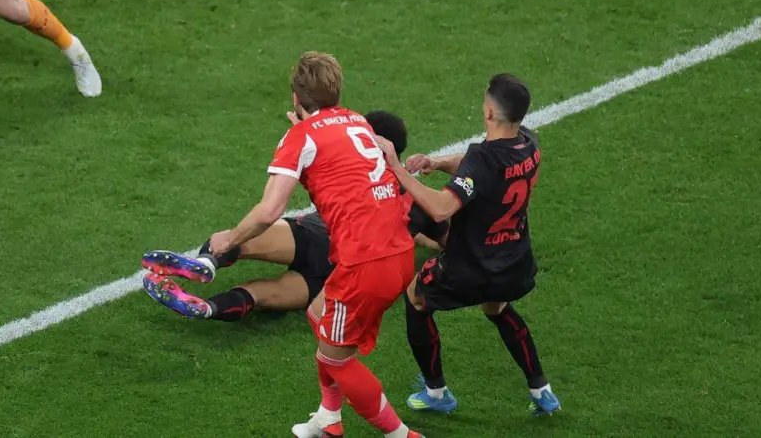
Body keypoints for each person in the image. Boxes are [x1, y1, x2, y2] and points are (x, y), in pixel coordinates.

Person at [195, 53, 423, 438]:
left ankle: (401, 434)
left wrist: (229, 239)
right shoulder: (359, 122)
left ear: (296, 98)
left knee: (337, 359)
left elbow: (270, 211)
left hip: (363, 264)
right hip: (399, 253)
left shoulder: (300, 137)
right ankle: (328, 420)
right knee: (318, 314)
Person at [141, 111, 446, 322]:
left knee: (235, 240)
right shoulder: (417, 201)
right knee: (258, 294)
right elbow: (443, 238)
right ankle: (208, 308)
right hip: (336, 278)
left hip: (314, 236)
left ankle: (207, 263)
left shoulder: (353, 169)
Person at [381, 73, 561, 417]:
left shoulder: (483, 159)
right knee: (496, 308)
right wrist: (437, 163)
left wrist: (397, 169)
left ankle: (436, 393)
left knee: (416, 297)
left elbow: (440, 207)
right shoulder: (529, 143)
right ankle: (542, 390)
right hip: (514, 261)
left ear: (490, 113)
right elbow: (478, 167)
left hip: (470, 268)